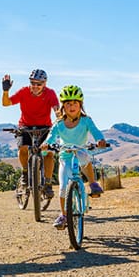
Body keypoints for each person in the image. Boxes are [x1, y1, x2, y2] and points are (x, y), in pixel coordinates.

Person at [40, 85, 107, 230]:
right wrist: (46, 145)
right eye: (68, 103)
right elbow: (51, 137)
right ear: (63, 106)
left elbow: (96, 132)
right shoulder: (59, 123)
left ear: (80, 105)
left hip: (81, 151)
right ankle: (64, 215)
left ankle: (93, 183)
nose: (72, 106)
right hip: (65, 155)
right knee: (63, 187)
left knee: (85, 159)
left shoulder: (86, 121)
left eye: (75, 103)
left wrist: (100, 140)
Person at [2, 69, 60, 197]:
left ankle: (48, 184)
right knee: (23, 148)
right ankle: (25, 173)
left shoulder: (50, 93)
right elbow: (6, 103)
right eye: (33, 83)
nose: (35, 86)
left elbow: (56, 109)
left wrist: (60, 116)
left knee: (48, 154)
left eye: (39, 84)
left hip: (44, 127)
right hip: (26, 126)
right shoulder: (24, 92)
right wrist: (6, 91)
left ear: (45, 83)